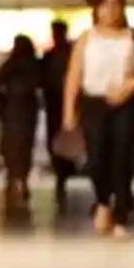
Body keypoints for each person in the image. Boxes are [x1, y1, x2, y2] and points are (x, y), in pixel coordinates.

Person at [63, 0, 134, 238]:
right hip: (93, 102)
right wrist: (69, 110)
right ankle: (102, 202)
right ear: (97, 10)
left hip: (126, 104)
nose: (111, 9)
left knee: (121, 157)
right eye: (105, 4)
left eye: (116, 3)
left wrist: (131, 85)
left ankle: (121, 215)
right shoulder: (87, 38)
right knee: (96, 158)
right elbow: (74, 76)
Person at [0, 35, 42, 211]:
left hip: (13, 111)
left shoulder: (10, 64)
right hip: (25, 112)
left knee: (12, 147)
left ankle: (14, 178)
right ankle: (21, 179)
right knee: (24, 147)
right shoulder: (34, 65)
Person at [41, 20, 74, 204]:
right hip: (54, 101)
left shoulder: (72, 54)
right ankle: (61, 169)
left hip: (66, 100)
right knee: (53, 137)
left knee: (67, 137)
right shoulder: (49, 56)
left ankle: (65, 169)